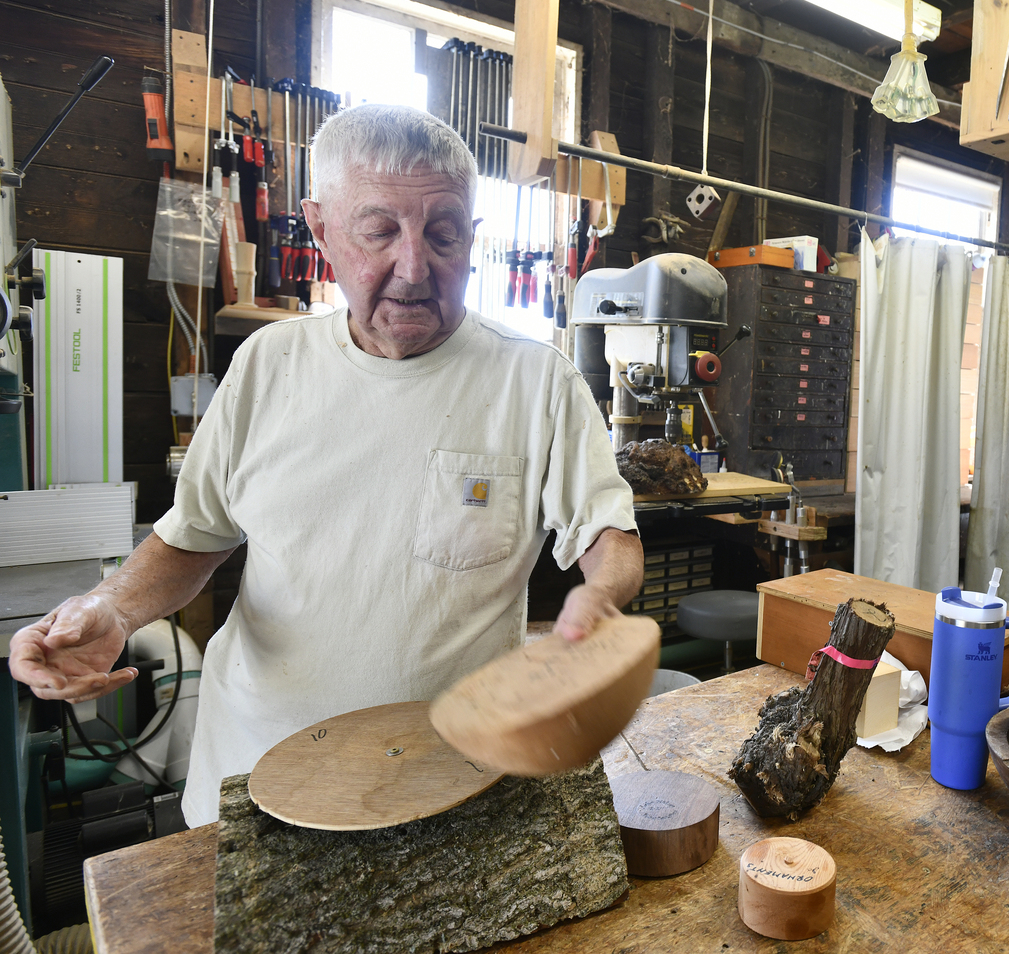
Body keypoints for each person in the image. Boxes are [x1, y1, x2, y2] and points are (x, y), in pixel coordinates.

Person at [8, 104, 643, 826]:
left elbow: (607, 535)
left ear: (472, 235)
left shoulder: (536, 382)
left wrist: (602, 596)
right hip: (253, 774)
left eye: (443, 234)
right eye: (379, 231)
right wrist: (112, 608)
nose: (414, 267)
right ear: (320, 228)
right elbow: (193, 538)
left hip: (445, 779)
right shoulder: (267, 366)